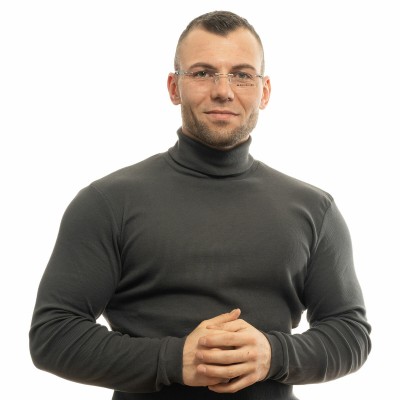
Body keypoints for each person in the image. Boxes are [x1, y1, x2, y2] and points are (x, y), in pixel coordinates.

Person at [29, 10, 371, 400]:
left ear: (264, 91)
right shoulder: (107, 203)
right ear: (174, 87)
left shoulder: (314, 209)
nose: (223, 90)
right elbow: (53, 335)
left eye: (242, 75)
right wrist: (175, 361)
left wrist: (274, 355)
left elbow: (351, 334)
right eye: (203, 72)